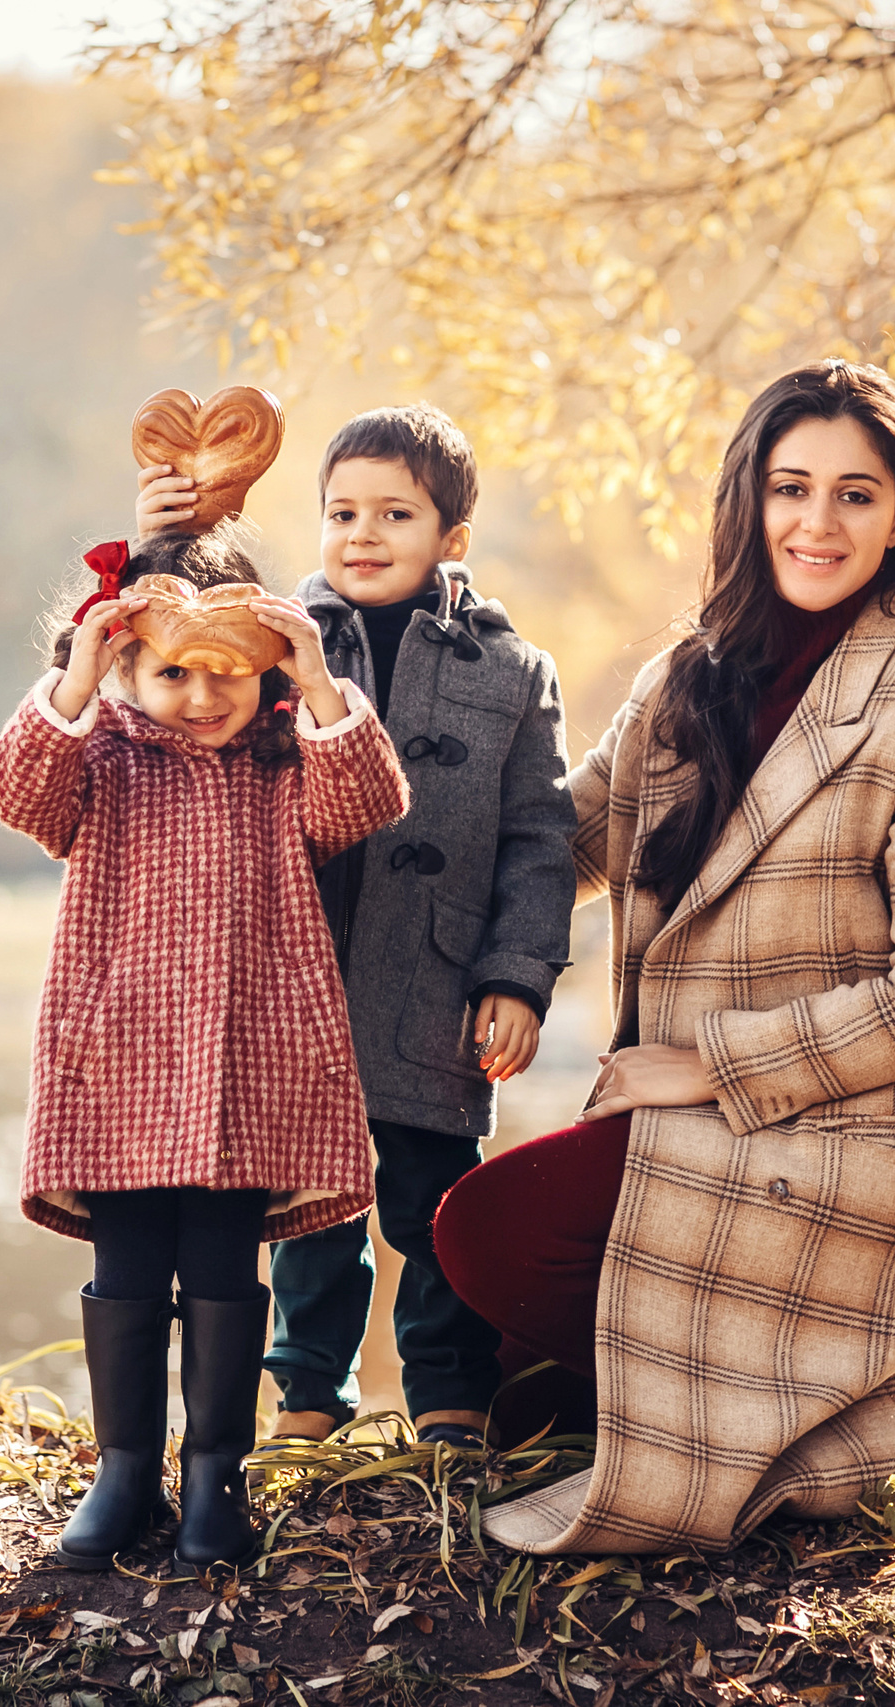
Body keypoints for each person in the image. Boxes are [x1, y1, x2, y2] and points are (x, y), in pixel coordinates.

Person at [435, 360, 895, 1554]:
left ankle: (858, 1410)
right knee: (490, 1304)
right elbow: (566, 838)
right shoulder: (692, 680)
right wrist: (382, 764)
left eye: (853, 495)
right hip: (709, 1133)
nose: (816, 523)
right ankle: (823, 1398)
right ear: (750, 502)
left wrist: (702, 1068)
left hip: (849, 1134)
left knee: (491, 1237)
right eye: (791, 489)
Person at [138, 404, 572, 1451]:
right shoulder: (271, 642)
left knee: (437, 1205)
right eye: (340, 512)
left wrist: (513, 978)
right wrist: (159, 542)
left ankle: (448, 1396)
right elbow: (160, 660)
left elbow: (540, 841)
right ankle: (305, 1394)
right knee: (310, 1208)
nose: (362, 535)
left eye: (394, 513)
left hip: (439, 979)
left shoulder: (511, 674)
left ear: (450, 539)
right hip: (303, 974)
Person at [0, 526, 409, 1571]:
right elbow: (16, 794)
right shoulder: (101, 756)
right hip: (118, 1044)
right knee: (128, 1260)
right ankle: (124, 1469)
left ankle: (216, 1471)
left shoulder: (279, 763)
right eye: (173, 673)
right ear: (129, 663)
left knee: (222, 1255)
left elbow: (368, 801)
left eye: (225, 674)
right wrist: (75, 681)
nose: (202, 697)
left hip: (245, 1054)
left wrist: (315, 681)